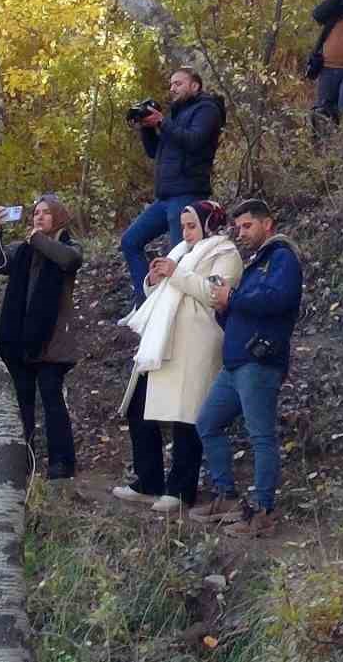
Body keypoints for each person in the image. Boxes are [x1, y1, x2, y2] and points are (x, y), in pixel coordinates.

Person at [114, 201, 242, 513]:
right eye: (183, 226)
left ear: (210, 224)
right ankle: (148, 481)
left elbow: (215, 293)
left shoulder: (225, 253)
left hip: (195, 342)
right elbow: (157, 295)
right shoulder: (179, 252)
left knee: (187, 417)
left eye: (192, 226)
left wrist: (176, 274)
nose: (185, 232)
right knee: (139, 409)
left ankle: (181, 490)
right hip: (160, 341)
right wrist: (153, 279)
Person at [189, 199, 303, 538]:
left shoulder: (282, 257)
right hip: (237, 362)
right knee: (207, 423)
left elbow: (278, 300)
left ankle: (263, 513)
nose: (241, 233)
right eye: (238, 227)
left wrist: (233, 299)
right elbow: (247, 307)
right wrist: (226, 304)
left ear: (268, 223)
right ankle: (227, 496)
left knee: (261, 436)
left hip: (259, 363)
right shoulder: (260, 262)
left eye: (247, 226)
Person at [0, 195, 85, 480]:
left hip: (53, 340)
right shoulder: (24, 250)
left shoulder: (68, 247)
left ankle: (62, 463)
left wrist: (37, 239)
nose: (38, 217)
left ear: (57, 217)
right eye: (35, 213)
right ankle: (25, 462)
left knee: (51, 398)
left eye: (45, 213)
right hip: (22, 340)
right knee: (23, 402)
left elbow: (68, 260)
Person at [120, 67, 226, 310]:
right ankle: (147, 304)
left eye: (178, 83)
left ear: (195, 86)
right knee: (130, 241)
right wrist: (146, 128)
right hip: (165, 197)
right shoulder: (176, 115)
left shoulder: (207, 110)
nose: (172, 89)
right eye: (171, 85)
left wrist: (161, 122)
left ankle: (175, 312)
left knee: (179, 258)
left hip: (188, 193)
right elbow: (154, 152)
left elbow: (194, 141)